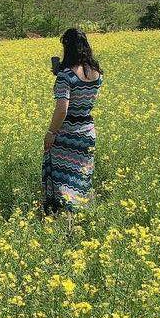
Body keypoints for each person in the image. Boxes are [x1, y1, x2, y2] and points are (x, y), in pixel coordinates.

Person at [43, 27, 103, 215]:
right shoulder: (97, 74)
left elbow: (62, 109)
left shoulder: (66, 76)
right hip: (87, 131)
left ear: (67, 48)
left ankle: (64, 218)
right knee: (81, 177)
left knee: (62, 179)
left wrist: (51, 133)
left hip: (67, 134)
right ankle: (83, 216)